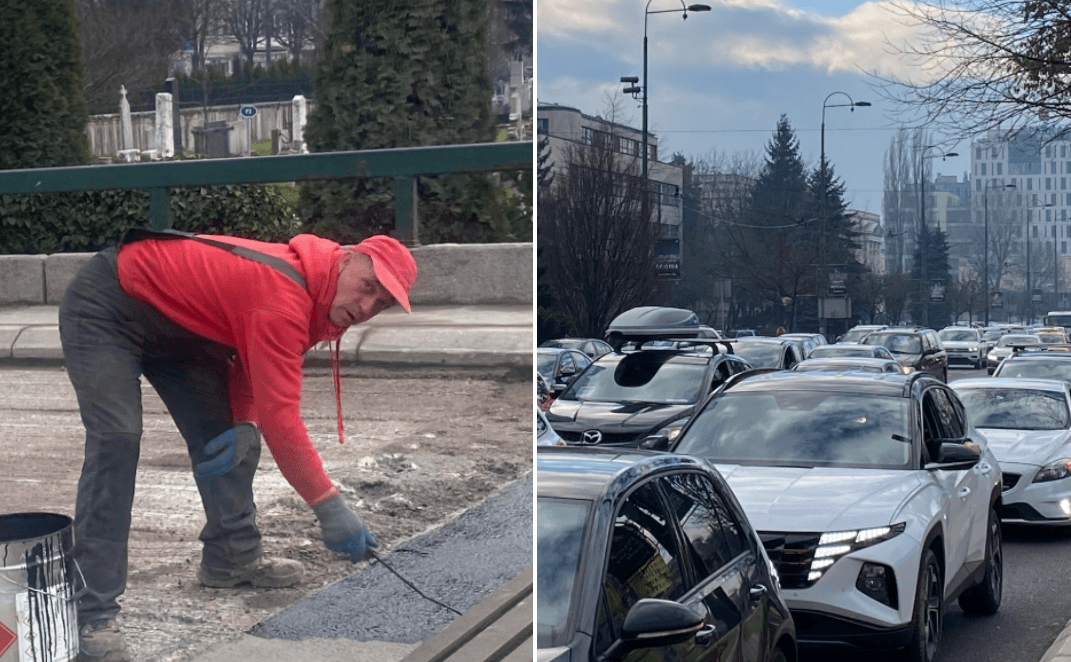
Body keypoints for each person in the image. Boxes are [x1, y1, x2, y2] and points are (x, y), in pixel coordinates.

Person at [59, 229, 417, 662]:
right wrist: (328, 505)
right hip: (109, 304)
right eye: (367, 288)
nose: (365, 308)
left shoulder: (321, 297)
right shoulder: (283, 294)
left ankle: (232, 558)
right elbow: (282, 419)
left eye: (381, 304)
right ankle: (91, 615)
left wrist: (244, 422)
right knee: (116, 442)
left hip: (180, 330)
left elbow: (252, 367)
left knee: (229, 433)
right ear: (344, 260)